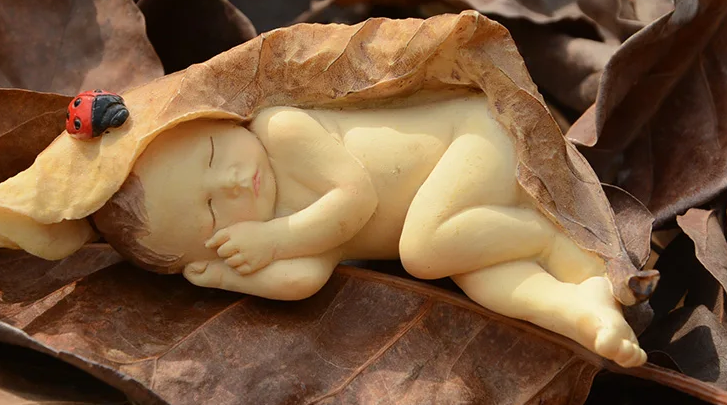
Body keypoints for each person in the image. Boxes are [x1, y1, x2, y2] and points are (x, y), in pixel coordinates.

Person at [97, 93, 645, 368]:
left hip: (477, 136)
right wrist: (224, 276)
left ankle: (546, 237)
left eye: (213, 154)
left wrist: (272, 240)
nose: (233, 182)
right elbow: (306, 279)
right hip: (463, 214)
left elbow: (354, 199)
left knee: (425, 252)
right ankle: (581, 307)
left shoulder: (279, 129)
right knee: (480, 276)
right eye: (214, 211)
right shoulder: (285, 226)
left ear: (215, 121)